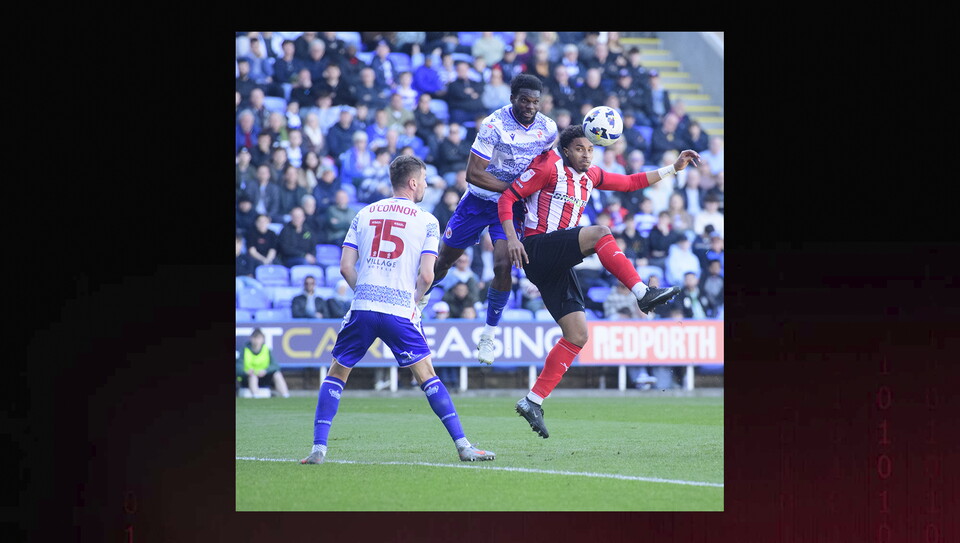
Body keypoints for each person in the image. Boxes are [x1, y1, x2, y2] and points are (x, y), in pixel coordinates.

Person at [496, 124, 700, 437]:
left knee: (577, 335)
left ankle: (532, 400)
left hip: (557, 263)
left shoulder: (592, 177)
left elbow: (631, 182)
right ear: (566, 151)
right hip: (536, 248)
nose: (587, 155)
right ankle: (642, 292)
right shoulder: (548, 168)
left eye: (590, 149)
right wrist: (512, 238)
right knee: (601, 232)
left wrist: (673, 168)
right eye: (580, 149)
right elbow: (507, 198)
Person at [300, 154, 495, 465]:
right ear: (414, 182)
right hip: (399, 310)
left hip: (363, 307)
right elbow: (428, 275)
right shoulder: (427, 220)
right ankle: (463, 446)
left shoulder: (362, 214)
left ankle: (318, 449)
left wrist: (365, 291)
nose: (427, 186)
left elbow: (345, 267)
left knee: (337, 373)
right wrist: (414, 300)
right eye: (425, 180)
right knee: (427, 375)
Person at [417, 74, 558, 367]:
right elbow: (473, 173)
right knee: (444, 260)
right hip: (478, 201)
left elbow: (545, 168)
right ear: (512, 99)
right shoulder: (493, 125)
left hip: (512, 208)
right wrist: (514, 189)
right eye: (524, 100)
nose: (530, 106)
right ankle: (416, 302)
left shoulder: (548, 129)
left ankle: (489, 334)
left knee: (503, 265)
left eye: (535, 101)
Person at [237, 328, 290, 398]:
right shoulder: (244, 350)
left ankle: (285, 396)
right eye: (254, 338)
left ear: (263, 339)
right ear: (251, 339)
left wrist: (266, 371)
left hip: (264, 377)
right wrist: (246, 372)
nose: (256, 341)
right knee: (253, 377)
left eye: (258, 338)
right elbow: (238, 367)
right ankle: (256, 396)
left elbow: (276, 366)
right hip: (248, 378)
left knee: (277, 374)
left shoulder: (266, 350)